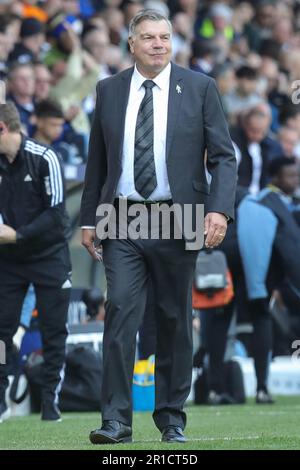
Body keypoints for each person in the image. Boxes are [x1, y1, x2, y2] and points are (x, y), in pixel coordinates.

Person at [80, 9, 236, 445]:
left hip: (179, 213)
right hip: (122, 216)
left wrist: (219, 211)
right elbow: (97, 161)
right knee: (119, 316)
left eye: (164, 37)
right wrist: (89, 219)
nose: (157, 44)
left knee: (174, 320)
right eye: (147, 37)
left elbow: (224, 156)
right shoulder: (108, 90)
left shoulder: (201, 87)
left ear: (173, 42)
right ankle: (115, 421)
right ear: (131, 44)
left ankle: (171, 419)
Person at [0, 102, 71, 423]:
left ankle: (50, 401)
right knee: (1, 332)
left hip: (49, 256)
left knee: (54, 331)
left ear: (3, 128)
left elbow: (57, 215)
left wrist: (18, 234)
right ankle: (1, 395)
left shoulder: (44, 158)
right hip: (10, 261)